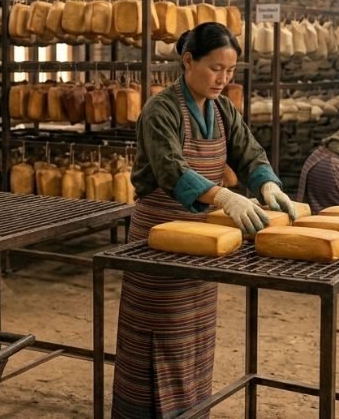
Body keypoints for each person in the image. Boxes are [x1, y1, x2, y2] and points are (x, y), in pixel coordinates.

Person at [111, 22, 297, 418]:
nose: (223, 79)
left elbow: (248, 152)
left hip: (203, 239)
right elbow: (170, 169)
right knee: (159, 334)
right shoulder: (160, 109)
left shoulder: (222, 108)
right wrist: (225, 195)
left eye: (230, 71)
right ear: (188, 60)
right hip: (158, 239)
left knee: (194, 338)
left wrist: (266, 185)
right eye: (215, 69)